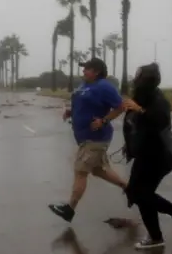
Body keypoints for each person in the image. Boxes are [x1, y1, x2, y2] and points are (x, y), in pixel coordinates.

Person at [48, 58, 128, 223]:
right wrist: (71, 111)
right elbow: (83, 103)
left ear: (96, 71)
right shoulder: (84, 85)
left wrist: (104, 121)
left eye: (87, 69)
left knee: (80, 171)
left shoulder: (104, 87)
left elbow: (120, 107)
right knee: (98, 170)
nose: (83, 71)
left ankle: (69, 209)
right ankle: (129, 189)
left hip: (96, 138)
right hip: (84, 137)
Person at [123, 63, 172, 250]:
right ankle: (156, 236)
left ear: (147, 80)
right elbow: (131, 124)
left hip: (161, 156)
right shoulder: (140, 97)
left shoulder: (158, 100)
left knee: (140, 193)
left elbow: (159, 121)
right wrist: (129, 147)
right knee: (137, 193)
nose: (135, 79)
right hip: (145, 154)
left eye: (139, 76)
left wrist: (140, 110)